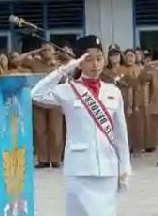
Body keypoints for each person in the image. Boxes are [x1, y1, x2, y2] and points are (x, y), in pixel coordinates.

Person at [31, 35, 131, 216]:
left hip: (107, 169)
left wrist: (125, 167)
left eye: (99, 58)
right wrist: (66, 68)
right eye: (88, 59)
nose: (95, 64)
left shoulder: (113, 92)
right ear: (79, 61)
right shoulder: (68, 90)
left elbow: (120, 134)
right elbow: (36, 94)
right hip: (79, 170)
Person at [22, 41, 63, 168]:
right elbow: (17, 60)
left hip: (54, 100)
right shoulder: (35, 63)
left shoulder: (59, 64)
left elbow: (74, 63)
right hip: (38, 101)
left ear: (54, 51)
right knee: (40, 130)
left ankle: (55, 159)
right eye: (43, 50)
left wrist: (61, 55)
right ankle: (43, 159)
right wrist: (34, 52)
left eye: (48, 50)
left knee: (56, 130)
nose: (46, 52)